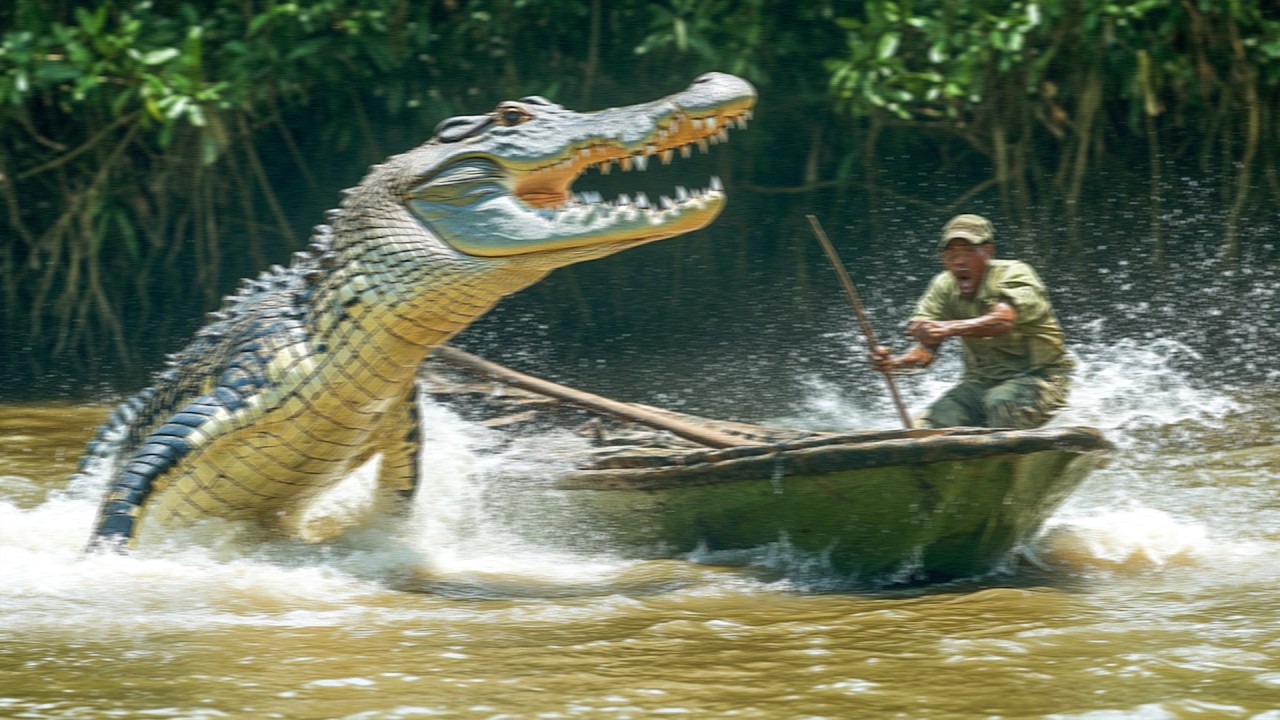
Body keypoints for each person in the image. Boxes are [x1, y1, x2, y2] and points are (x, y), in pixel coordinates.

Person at [870, 214, 1072, 429]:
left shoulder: (1014, 273)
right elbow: (925, 354)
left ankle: (1005, 458)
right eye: (952, 254)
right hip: (980, 386)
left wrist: (948, 328)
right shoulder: (943, 286)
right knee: (923, 426)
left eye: (968, 251)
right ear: (944, 259)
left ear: (987, 252)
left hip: (1042, 380)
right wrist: (894, 365)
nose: (959, 261)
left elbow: (1003, 321)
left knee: (1001, 401)